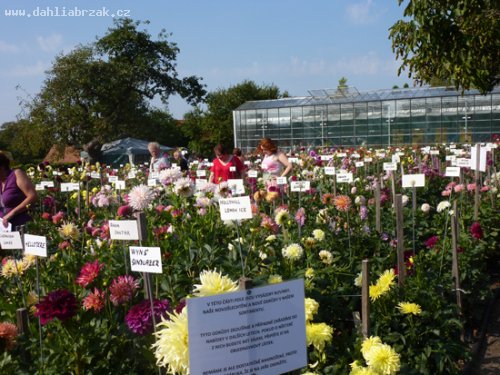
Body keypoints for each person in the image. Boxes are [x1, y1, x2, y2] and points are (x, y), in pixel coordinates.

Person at [0, 152, 37, 229]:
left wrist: (12, 213)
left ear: (2, 166)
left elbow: (32, 196)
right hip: (3, 229)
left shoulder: (17, 174)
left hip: (20, 226)